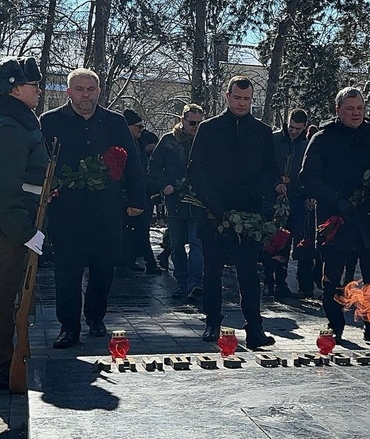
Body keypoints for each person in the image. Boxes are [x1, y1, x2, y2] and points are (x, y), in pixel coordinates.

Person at [41, 68, 146, 349]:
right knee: (67, 272)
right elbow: (39, 162)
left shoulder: (114, 122)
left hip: (106, 209)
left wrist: (137, 200)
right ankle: (68, 327)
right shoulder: (50, 121)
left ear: (98, 91)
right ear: (69, 92)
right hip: (67, 210)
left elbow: (133, 163)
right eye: (79, 89)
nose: (85, 95)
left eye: (90, 89)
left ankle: (96, 317)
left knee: (103, 268)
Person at [0, 56, 49, 389]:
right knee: (2, 297)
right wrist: (26, 232)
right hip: (11, 225)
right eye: (33, 86)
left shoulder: (14, 123)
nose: (38, 91)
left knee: (7, 293)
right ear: (16, 89)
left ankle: (3, 362)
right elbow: (2, 189)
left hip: (16, 219)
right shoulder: (9, 129)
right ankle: (0, 367)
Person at [300, 87, 370, 344]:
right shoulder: (323, 138)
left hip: (369, 218)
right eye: (350, 109)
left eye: (359, 109)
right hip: (337, 217)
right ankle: (335, 324)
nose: (356, 113)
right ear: (337, 110)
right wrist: (335, 199)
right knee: (333, 275)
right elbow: (308, 176)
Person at [187, 76, 277, 349]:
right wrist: (216, 204)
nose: (242, 103)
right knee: (211, 271)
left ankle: (255, 328)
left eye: (247, 99)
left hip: (248, 214)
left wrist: (252, 194)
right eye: (237, 98)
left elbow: (271, 170)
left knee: (249, 273)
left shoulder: (262, 131)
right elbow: (195, 170)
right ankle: (213, 322)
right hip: (214, 212)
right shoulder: (209, 128)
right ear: (227, 97)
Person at [149, 103, 205, 301]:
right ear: (183, 120)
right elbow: (154, 166)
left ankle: (195, 282)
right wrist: (164, 185)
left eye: (199, 123)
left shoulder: (204, 140)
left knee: (197, 243)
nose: (195, 127)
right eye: (192, 122)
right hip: (175, 201)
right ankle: (182, 281)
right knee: (177, 244)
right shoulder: (169, 140)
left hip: (198, 202)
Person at [263, 108, 311, 300]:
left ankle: (281, 281)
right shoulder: (273, 140)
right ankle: (268, 281)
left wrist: (305, 193)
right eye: (291, 127)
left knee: (286, 243)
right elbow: (264, 167)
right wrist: (275, 184)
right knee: (269, 242)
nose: (293, 131)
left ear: (304, 127)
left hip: (295, 202)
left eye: (298, 129)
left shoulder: (306, 146)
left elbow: (307, 173)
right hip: (271, 201)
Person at [118, 108, 161, 275]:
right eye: (139, 127)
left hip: (140, 192)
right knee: (138, 230)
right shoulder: (125, 143)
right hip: (129, 194)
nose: (142, 130)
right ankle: (147, 262)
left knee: (138, 230)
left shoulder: (137, 142)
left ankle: (130, 260)